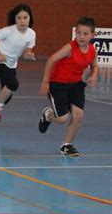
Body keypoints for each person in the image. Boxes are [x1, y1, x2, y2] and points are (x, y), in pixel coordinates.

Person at [38, 16, 99, 157]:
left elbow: (94, 66)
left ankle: (66, 145)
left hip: (76, 85)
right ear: (75, 33)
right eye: (78, 33)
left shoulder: (92, 51)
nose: (81, 36)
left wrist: (94, 75)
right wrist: (45, 82)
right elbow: (51, 60)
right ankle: (47, 115)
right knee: (62, 119)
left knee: (78, 115)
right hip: (58, 85)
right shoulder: (69, 48)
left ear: (92, 35)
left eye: (85, 33)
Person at [0, 3, 36, 128]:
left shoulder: (31, 34)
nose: (22, 21)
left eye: (25, 17)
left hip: (11, 65)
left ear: (30, 18)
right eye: (19, 18)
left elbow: (25, 54)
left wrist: (29, 56)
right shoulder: (8, 31)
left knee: (7, 96)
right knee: (13, 84)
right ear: (14, 19)